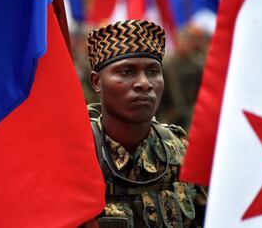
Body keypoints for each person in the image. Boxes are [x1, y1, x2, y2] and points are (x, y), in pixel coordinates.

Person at [86, 20, 206, 228]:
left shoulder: (183, 156)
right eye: (126, 72)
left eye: (152, 71)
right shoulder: (77, 155)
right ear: (97, 82)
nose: (144, 83)